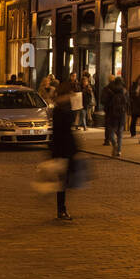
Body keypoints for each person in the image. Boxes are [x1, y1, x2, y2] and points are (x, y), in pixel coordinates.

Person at [48, 77, 78, 221]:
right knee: (63, 181)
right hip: (63, 149)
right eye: (69, 93)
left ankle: (61, 207)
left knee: (64, 180)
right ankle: (61, 209)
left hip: (64, 149)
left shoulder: (61, 109)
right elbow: (64, 130)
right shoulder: (62, 110)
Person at [102, 75, 129, 157]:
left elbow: (103, 100)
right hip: (122, 114)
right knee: (120, 134)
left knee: (110, 132)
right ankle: (119, 151)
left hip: (111, 114)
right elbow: (128, 103)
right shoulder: (125, 91)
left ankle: (114, 144)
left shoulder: (108, 89)